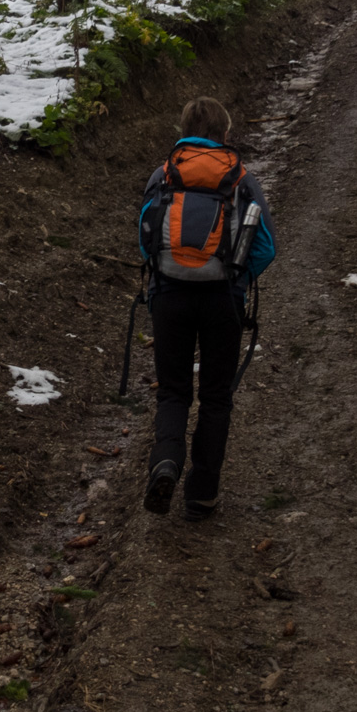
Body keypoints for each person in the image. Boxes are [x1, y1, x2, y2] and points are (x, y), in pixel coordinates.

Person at [136, 97, 276, 520]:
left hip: (169, 298)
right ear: (226, 134)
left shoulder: (163, 175)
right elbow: (266, 248)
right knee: (216, 396)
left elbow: (146, 237)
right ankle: (202, 494)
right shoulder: (241, 180)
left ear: (182, 131)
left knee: (173, 390)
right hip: (223, 301)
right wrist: (235, 277)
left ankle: (166, 462)